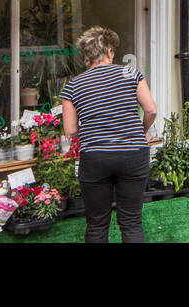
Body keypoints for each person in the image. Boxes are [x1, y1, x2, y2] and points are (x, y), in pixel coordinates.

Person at [61, 26, 157, 243]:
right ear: (109, 52)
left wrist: (94, 130)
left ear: (86, 56)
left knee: (96, 224)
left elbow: (70, 131)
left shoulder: (73, 86)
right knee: (131, 222)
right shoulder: (130, 73)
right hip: (133, 153)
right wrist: (142, 131)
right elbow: (151, 110)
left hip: (95, 157)